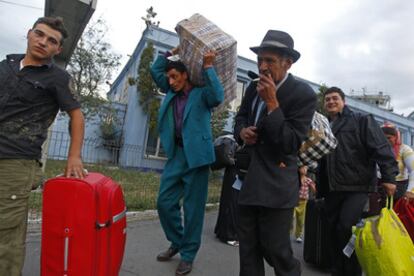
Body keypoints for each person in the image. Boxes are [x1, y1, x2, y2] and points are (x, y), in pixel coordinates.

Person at [0, 17, 85, 275]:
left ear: (57, 50)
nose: (43, 42)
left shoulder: (57, 78)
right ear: (29, 34)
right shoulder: (7, 65)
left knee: (5, 236)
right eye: (40, 34)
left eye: (52, 41)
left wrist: (74, 156)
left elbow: (77, 115)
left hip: (16, 162)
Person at [234, 30, 317, 276]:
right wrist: (241, 131)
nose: (262, 66)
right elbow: (240, 117)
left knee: (276, 250)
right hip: (246, 179)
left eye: (269, 60)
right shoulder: (252, 88)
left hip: (276, 184)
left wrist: (272, 103)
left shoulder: (303, 95)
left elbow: (290, 143)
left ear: (287, 63)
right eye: (260, 60)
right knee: (248, 251)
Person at [150, 48, 224, 275]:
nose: (170, 82)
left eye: (175, 77)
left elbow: (218, 96)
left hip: (198, 157)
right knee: (164, 202)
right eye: (169, 77)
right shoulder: (171, 91)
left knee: (193, 209)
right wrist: (168, 53)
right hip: (177, 154)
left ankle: (188, 255)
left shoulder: (202, 93)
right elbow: (155, 70)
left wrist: (209, 66)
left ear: (186, 75)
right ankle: (177, 241)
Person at [317, 86, 398, 276]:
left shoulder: (361, 121)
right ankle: (337, 270)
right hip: (331, 188)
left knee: (347, 227)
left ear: (343, 101)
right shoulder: (323, 126)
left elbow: (381, 148)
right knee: (332, 232)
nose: (330, 102)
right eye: (327, 99)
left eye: (334, 98)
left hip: (356, 186)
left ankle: (352, 271)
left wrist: (389, 177)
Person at [381, 123, 414, 201]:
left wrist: (410, 191)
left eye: (389, 138)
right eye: (383, 138)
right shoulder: (377, 149)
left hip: (400, 189)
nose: (386, 141)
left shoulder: (405, 149)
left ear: (396, 137)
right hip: (380, 187)